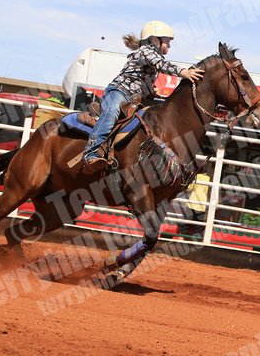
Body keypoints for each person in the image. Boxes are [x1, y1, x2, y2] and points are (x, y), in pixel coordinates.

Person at [82, 20, 204, 172]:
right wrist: (184, 72)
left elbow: (141, 79)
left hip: (134, 99)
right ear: (155, 40)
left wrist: (150, 92)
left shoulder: (150, 55)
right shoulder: (146, 51)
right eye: (167, 42)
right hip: (119, 92)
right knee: (111, 113)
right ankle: (90, 153)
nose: (170, 46)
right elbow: (161, 64)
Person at [177, 170, 211, 240]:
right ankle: (194, 245)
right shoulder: (210, 179)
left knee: (184, 227)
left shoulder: (197, 176)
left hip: (191, 204)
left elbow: (189, 188)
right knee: (198, 230)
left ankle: (180, 241)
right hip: (202, 207)